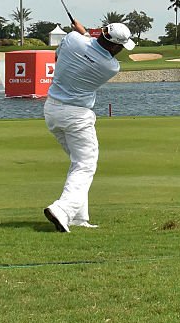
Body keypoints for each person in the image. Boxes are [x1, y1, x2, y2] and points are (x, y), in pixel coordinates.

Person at [42, 20, 135, 232]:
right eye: (120, 47)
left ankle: (78, 218)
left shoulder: (73, 39)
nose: (120, 51)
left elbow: (62, 54)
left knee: (79, 164)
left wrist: (82, 35)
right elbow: (96, 52)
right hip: (77, 116)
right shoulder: (111, 67)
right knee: (85, 165)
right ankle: (62, 209)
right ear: (114, 46)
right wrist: (84, 35)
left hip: (52, 110)